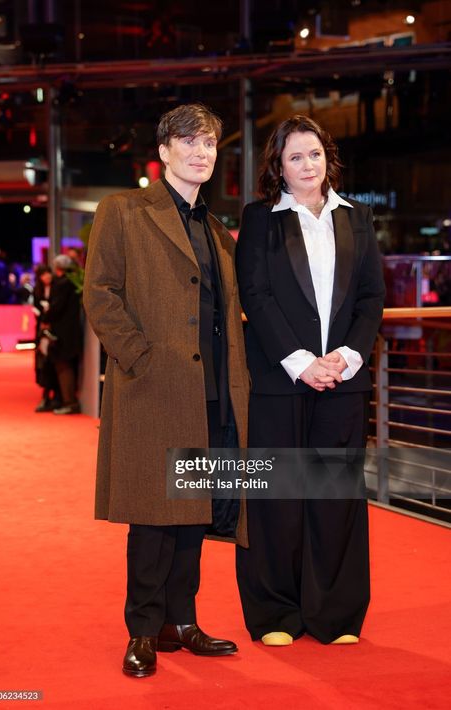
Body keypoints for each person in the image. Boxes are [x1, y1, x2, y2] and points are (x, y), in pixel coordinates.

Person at [83, 103, 249, 678]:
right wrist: (139, 357)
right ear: (164, 151)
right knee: (152, 517)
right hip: (153, 384)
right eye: (190, 142)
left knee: (192, 514)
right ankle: (143, 629)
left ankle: (182, 620)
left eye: (210, 143)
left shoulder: (216, 229)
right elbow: (100, 292)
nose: (202, 152)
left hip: (210, 392)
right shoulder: (125, 210)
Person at [235, 115, 385, 647]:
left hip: (342, 380)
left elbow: (370, 298)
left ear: (328, 160)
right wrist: (301, 361)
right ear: (278, 166)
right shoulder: (260, 219)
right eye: (294, 156)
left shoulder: (358, 218)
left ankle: (336, 615)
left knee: (335, 498)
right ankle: (276, 613)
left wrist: (345, 356)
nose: (307, 165)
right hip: (280, 379)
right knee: (276, 497)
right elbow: (255, 295)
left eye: (314, 154)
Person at [44, 255, 83, 415]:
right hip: (73, 332)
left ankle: (70, 402)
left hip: (62, 334)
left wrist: (45, 317)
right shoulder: (74, 283)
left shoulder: (61, 284)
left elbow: (56, 308)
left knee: (63, 366)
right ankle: (69, 401)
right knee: (67, 366)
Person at [33, 265, 61, 412]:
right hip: (42, 333)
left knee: (52, 363)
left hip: (55, 332)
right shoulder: (37, 290)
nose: (46, 276)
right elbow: (35, 308)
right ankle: (45, 396)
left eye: (48, 273)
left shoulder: (57, 287)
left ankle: (55, 396)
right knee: (43, 364)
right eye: (43, 274)